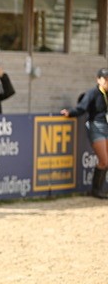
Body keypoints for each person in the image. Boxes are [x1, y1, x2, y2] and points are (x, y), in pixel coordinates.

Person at [61, 68, 108, 199]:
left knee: (106, 161)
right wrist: (70, 113)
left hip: (107, 125)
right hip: (96, 126)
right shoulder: (93, 93)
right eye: (105, 79)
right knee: (104, 160)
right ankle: (95, 190)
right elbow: (82, 107)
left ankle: (99, 189)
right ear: (99, 80)